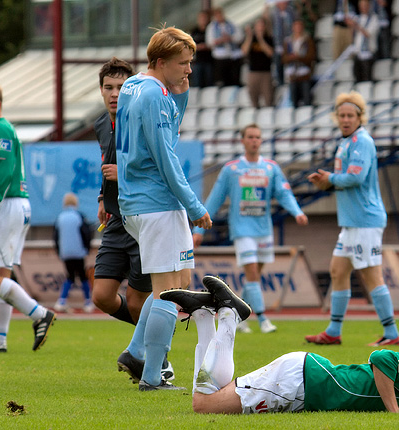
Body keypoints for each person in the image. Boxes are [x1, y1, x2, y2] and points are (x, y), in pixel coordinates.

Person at [159, 277, 399, 414]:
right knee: (203, 405)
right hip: (304, 381)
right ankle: (229, 315)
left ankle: (203, 315)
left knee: (210, 395)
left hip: (304, 381)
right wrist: (396, 412)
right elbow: (382, 357)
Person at [115, 26, 212, 391]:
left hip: (138, 201)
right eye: (183, 63)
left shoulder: (134, 85)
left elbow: (167, 131)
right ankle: (152, 376)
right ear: (160, 61)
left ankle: (136, 351)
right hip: (157, 203)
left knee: (180, 280)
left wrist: (181, 95)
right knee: (169, 292)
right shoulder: (155, 95)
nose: (189, 70)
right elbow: (166, 156)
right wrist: (194, 205)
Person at [94, 57, 175, 383]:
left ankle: (157, 359)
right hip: (116, 220)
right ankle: (151, 336)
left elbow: (158, 163)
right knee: (102, 295)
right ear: (101, 91)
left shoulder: (140, 117)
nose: (114, 94)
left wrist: (123, 175)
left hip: (142, 215)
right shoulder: (102, 124)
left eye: (121, 87)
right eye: (108, 87)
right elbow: (107, 163)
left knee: (140, 300)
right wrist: (103, 196)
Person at [193, 123, 308, 334]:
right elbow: (215, 199)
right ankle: (263, 319)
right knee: (253, 273)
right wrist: (199, 230)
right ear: (243, 140)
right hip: (242, 229)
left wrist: (297, 212)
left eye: (257, 137)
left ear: (261, 140)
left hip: (263, 230)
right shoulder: (232, 169)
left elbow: (284, 193)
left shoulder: (271, 168)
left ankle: (236, 316)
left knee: (253, 277)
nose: (254, 141)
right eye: (250, 137)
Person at [305, 91, 399, 347]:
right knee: (338, 271)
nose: (345, 119)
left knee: (371, 276)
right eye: (342, 115)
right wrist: (327, 183)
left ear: (360, 117)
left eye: (350, 115)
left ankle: (391, 333)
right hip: (351, 222)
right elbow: (345, 179)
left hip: (365, 221)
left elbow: (356, 177)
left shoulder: (362, 141)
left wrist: (331, 179)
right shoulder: (346, 142)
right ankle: (333, 332)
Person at [0, 82, 55, 353]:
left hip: (6, 205)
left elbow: (5, 172)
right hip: (15, 205)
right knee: (0, 273)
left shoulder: (0, 129)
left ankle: (39, 314)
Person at [53, 192, 93, 313]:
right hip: (78, 252)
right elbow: (86, 233)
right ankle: (88, 301)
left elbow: (55, 236)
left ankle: (62, 300)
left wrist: (59, 251)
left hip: (65, 252)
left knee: (70, 276)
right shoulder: (79, 216)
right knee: (83, 276)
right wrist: (87, 248)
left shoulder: (60, 217)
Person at [241, 17, 275, 108]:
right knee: (253, 95)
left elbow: (270, 53)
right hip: (253, 72)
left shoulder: (269, 38)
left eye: (262, 25)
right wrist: (249, 37)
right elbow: (244, 51)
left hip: (265, 72)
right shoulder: (250, 39)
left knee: (268, 96)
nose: (260, 28)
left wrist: (261, 39)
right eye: (258, 25)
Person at [282, 19, 316, 108]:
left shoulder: (307, 40)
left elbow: (311, 56)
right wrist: (290, 58)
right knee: (294, 101)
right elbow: (284, 58)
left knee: (307, 99)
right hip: (293, 75)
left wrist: (299, 57)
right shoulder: (288, 41)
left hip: (304, 74)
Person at [206, 7, 244, 87]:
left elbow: (240, 37)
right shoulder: (211, 27)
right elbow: (209, 42)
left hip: (233, 56)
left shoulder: (232, 24)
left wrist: (230, 38)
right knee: (223, 80)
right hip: (220, 57)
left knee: (234, 79)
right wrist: (219, 40)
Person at [346, 0, 379, 83]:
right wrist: (351, 26)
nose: (363, 8)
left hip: (369, 53)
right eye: (361, 6)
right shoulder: (357, 18)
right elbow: (352, 35)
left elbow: (367, 33)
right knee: (357, 77)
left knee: (367, 78)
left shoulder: (374, 18)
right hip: (358, 53)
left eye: (365, 5)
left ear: (369, 6)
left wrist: (355, 25)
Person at [266, 0, 294, 86]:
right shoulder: (273, 13)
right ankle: (280, 82)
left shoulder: (291, 12)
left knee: (291, 61)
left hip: (290, 42)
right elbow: (268, 23)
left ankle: (292, 80)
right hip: (278, 43)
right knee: (278, 63)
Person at [189, 10, 214, 89]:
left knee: (209, 81)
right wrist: (199, 47)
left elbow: (212, 44)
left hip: (209, 60)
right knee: (197, 82)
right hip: (198, 61)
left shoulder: (211, 30)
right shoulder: (194, 31)